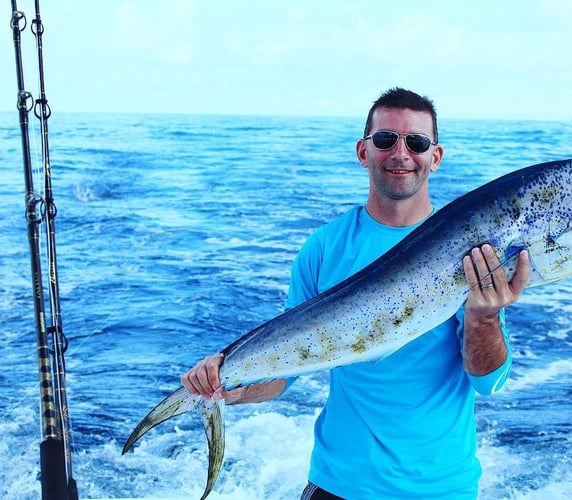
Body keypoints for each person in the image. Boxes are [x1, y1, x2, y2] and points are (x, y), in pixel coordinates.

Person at [181, 87, 531, 499]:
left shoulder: (469, 248)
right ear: (364, 151)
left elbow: (489, 382)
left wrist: (483, 316)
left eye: (416, 142)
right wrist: (234, 387)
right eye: (386, 140)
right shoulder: (325, 248)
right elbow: (283, 375)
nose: (401, 153)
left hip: (441, 489)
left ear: (434, 157)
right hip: (338, 485)